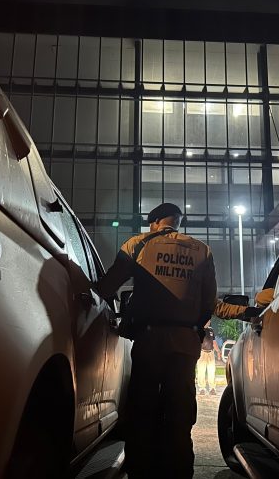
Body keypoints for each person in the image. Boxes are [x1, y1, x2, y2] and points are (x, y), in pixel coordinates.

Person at [96, 202, 217, 479]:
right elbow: (209, 300)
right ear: (177, 221)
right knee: (181, 410)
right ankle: (179, 470)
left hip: (149, 339)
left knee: (142, 407)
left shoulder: (138, 244)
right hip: (186, 341)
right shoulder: (202, 250)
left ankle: (141, 470)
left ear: (154, 222)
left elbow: (108, 285)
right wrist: (194, 327)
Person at [196, 323, 220, 395]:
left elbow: (214, 342)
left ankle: (212, 388)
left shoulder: (211, 330)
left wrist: (218, 351)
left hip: (211, 353)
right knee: (201, 371)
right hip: (202, 353)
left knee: (211, 371)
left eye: (209, 321)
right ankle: (201, 389)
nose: (208, 322)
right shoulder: (199, 330)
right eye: (207, 320)